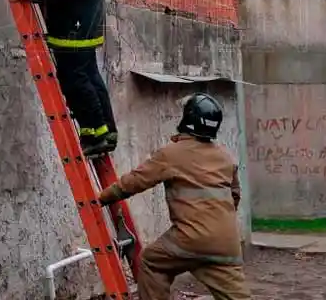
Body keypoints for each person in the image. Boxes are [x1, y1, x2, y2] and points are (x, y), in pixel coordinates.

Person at [98, 93, 251, 300]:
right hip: (226, 244)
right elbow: (234, 196)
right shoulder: (225, 157)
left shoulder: (172, 154)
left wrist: (101, 198)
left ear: (187, 119)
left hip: (189, 239)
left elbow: (134, 181)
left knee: (151, 262)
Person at [9, 0, 117, 157]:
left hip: (74, 28)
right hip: (80, 27)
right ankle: (105, 132)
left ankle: (97, 133)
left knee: (76, 81)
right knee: (89, 77)